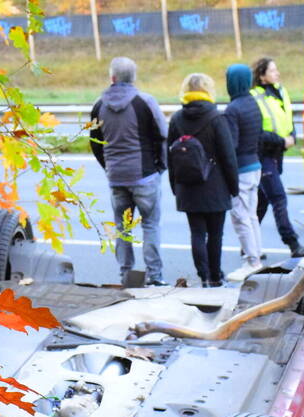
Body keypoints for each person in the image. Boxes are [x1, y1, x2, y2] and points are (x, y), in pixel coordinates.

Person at [90, 57, 169, 287]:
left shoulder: (99, 105)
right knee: (150, 225)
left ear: (112, 78)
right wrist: (160, 166)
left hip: (116, 178)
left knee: (122, 229)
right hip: (145, 175)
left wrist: (109, 166)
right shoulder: (144, 101)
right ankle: (155, 276)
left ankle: (126, 276)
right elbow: (162, 134)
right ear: (133, 77)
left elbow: (95, 142)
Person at [167, 73, 239, 287]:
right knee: (216, 234)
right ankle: (216, 277)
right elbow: (228, 156)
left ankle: (203, 275)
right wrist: (233, 187)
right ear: (208, 90)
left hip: (187, 185)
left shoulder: (177, 119)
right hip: (215, 184)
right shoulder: (216, 118)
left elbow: (170, 155)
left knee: (197, 232)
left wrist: (175, 186)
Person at [250, 58, 304, 258]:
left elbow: (286, 118)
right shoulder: (255, 97)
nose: (277, 73)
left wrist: (291, 135)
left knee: (263, 201)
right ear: (262, 75)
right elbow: (256, 132)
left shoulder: (280, 92)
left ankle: (249, 245)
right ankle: (292, 243)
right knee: (278, 198)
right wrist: (282, 141)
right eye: (272, 70)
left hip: (277, 154)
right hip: (264, 154)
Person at [222, 63, 264, 282]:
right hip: (255, 164)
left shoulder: (233, 109)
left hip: (241, 169)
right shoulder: (253, 103)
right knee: (251, 215)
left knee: (240, 216)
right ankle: (256, 257)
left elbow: (231, 145)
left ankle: (252, 261)